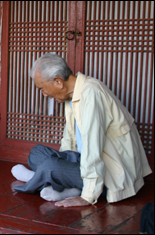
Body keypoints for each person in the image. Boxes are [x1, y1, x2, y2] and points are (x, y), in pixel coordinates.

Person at [11, 53, 152, 207]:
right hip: (83, 161)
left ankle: (43, 180)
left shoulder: (91, 93)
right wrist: (63, 168)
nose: (44, 94)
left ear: (58, 81)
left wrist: (88, 196)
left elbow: (93, 148)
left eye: (43, 88)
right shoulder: (72, 94)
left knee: (51, 166)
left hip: (109, 175)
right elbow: (69, 140)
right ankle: (54, 181)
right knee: (36, 153)